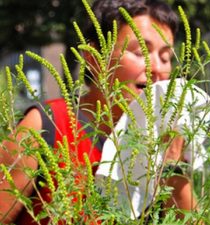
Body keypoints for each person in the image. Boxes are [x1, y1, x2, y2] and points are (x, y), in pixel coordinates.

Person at [0, 0, 199, 224]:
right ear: (94, 58)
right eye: (140, 52)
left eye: (165, 57)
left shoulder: (160, 140)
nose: (157, 69)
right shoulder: (48, 125)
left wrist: (170, 165)